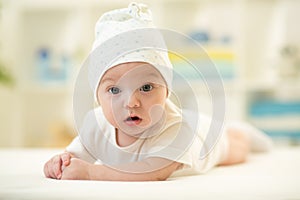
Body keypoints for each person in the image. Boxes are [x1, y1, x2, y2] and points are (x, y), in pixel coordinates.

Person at [43, 2, 273, 181]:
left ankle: (237, 131)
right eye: (114, 90)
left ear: (166, 90)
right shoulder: (95, 123)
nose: (131, 102)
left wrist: (92, 173)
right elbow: (76, 155)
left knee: (234, 149)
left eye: (146, 88)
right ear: (97, 96)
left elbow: (153, 172)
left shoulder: (177, 130)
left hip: (204, 139)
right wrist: (60, 162)